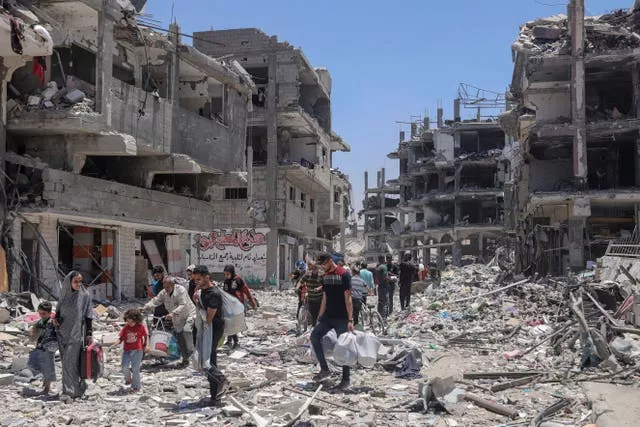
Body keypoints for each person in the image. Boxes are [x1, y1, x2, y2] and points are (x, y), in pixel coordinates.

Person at [310, 252, 354, 391]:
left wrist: (350, 319)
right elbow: (325, 298)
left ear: (330, 261)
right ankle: (324, 369)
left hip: (341, 318)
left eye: (323, 264)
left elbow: (348, 298)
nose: (322, 267)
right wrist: (319, 317)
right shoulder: (326, 276)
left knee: (344, 347)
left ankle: (346, 379)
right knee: (314, 336)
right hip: (328, 317)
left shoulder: (344, 274)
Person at [192, 265, 229, 405]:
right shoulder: (202, 291)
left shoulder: (213, 293)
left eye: (198, 279)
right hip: (206, 329)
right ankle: (215, 395)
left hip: (213, 329)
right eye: (195, 279)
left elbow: (208, 318)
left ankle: (220, 380)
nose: (196, 282)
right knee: (207, 359)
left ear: (207, 277)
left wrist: (199, 304)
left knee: (208, 360)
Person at [53, 271, 93, 399]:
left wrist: (89, 333)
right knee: (66, 363)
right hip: (62, 333)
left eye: (80, 281)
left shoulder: (84, 295)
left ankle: (70, 392)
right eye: (75, 281)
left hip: (76, 334)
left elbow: (88, 315)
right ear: (69, 282)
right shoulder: (64, 294)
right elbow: (58, 311)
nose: (78, 284)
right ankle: (75, 388)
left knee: (70, 362)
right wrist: (56, 319)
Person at [143, 276, 195, 367]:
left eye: (167, 287)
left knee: (186, 331)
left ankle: (191, 352)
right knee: (180, 338)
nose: (166, 289)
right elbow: (156, 300)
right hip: (177, 318)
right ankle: (185, 360)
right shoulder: (164, 292)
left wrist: (173, 313)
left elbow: (183, 304)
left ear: (172, 285)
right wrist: (146, 306)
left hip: (188, 314)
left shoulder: (181, 290)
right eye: (164, 287)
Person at [113, 309, 149, 392]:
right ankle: (128, 379)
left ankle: (136, 386)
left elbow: (146, 336)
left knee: (135, 369)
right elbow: (121, 337)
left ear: (136, 320)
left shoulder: (141, 327)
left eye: (131, 321)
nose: (129, 323)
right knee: (124, 366)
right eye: (128, 321)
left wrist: (147, 345)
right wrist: (117, 342)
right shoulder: (126, 328)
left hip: (137, 350)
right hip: (127, 350)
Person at [222, 264, 257, 348]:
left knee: (233, 324)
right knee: (228, 323)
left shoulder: (238, 280)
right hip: (228, 306)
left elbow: (246, 291)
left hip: (237, 305)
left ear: (232, 273)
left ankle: (236, 341)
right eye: (225, 274)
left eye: (227, 274)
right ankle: (229, 340)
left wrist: (253, 303)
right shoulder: (226, 282)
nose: (226, 276)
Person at [27, 301, 57, 394]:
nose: (41, 315)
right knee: (34, 364)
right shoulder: (40, 322)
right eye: (40, 313)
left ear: (49, 313)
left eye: (44, 313)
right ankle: (44, 381)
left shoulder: (52, 322)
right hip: (40, 347)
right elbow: (34, 331)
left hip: (49, 348)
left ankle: (47, 388)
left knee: (48, 367)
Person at [299, 262, 324, 326]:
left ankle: (317, 326)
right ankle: (314, 326)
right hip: (310, 297)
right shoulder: (307, 274)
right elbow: (301, 281)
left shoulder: (321, 275)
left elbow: (325, 285)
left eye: (315, 268)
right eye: (313, 268)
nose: (314, 270)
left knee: (319, 313)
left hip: (319, 298)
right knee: (312, 313)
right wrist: (298, 287)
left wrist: (319, 288)